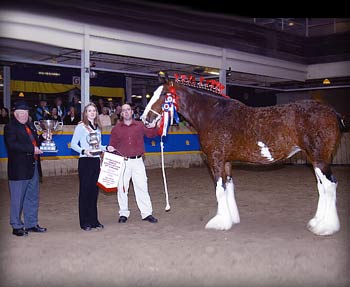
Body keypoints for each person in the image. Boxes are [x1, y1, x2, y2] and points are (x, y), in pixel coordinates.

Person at [109, 103, 159, 224]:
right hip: (123, 162)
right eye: (124, 110)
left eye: (128, 110)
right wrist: (110, 148)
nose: (126, 112)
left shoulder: (140, 125)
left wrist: (155, 126)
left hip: (138, 161)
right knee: (122, 188)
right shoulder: (116, 129)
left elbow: (151, 134)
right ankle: (123, 213)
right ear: (121, 114)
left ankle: (147, 213)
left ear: (132, 112)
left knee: (142, 187)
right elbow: (112, 144)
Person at [4, 100, 47, 237]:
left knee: (32, 197)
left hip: (32, 166)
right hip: (19, 169)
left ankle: (31, 223)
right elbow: (12, 145)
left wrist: (43, 138)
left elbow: (35, 142)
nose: (23, 115)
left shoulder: (30, 126)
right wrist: (32, 149)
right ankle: (16, 226)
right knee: (17, 199)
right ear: (15, 114)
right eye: (20, 113)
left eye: (25, 113)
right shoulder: (10, 127)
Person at [70, 102, 113, 231]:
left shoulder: (98, 128)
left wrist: (106, 147)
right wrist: (84, 151)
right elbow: (73, 144)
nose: (92, 113)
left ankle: (94, 220)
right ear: (85, 113)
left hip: (95, 161)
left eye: (94, 110)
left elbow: (98, 146)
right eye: (89, 111)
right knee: (85, 191)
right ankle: (85, 222)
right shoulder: (81, 127)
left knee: (94, 192)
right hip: (85, 161)